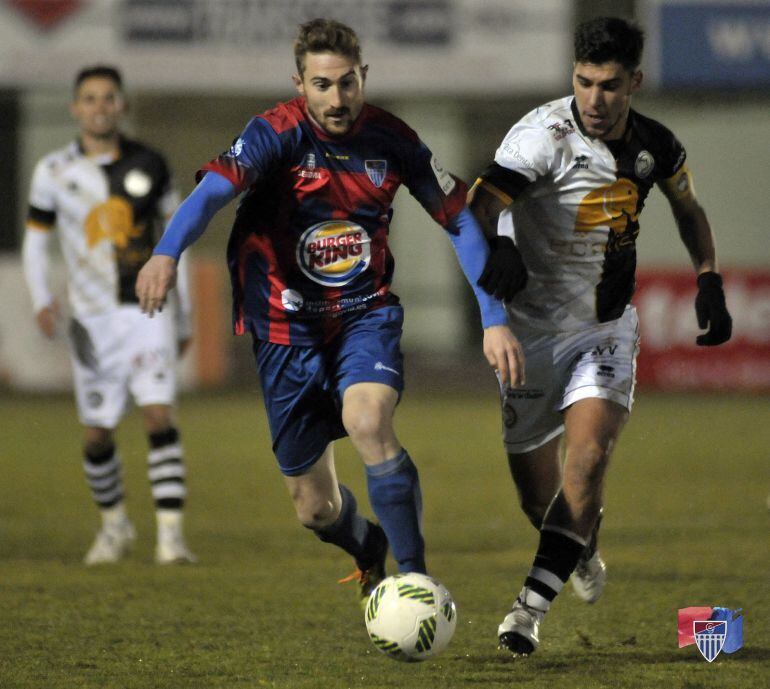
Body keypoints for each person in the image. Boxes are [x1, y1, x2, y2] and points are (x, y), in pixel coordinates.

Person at [136, 18, 522, 602]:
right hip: (284, 330)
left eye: (347, 83)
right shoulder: (273, 134)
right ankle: (367, 545)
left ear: (363, 77)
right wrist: (166, 254)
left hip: (362, 316)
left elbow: (460, 217)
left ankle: (415, 580)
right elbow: (212, 193)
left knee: (368, 421)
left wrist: (494, 319)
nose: (336, 99)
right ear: (300, 84)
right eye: (322, 85)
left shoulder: (394, 141)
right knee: (315, 510)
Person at [469, 16, 732, 655]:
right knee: (541, 499)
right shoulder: (541, 136)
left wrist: (709, 278)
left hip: (605, 330)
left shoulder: (658, 148)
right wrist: (501, 250)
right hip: (529, 337)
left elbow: (687, 208)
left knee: (586, 464)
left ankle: (525, 613)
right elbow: (482, 203)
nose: (595, 99)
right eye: (584, 83)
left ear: (634, 82)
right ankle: (582, 544)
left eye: (610, 85)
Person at [22, 65, 196, 565]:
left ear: (122, 105)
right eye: (90, 99)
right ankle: (115, 526)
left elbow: (174, 238)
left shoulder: (152, 164)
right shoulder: (53, 171)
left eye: (108, 98)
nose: (99, 107)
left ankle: (170, 537)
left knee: (159, 414)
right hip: (91, 320)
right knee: (97, 432)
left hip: (147, 310)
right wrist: (40, 297)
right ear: (76, 108)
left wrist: (181, 317)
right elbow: (36, 243)